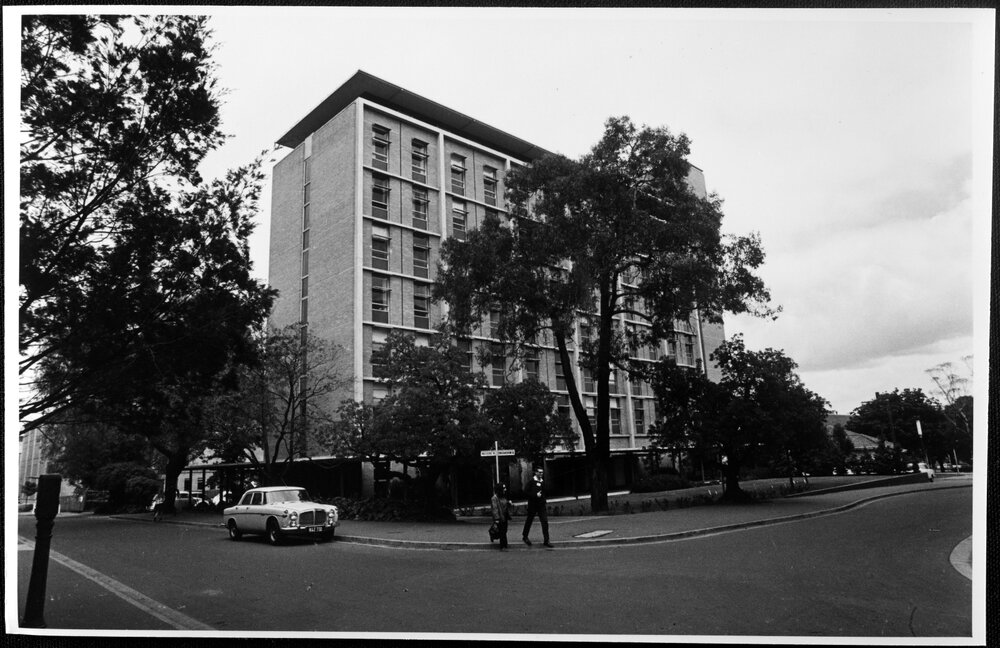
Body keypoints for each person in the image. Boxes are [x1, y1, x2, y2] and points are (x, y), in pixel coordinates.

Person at [522, 465, 551, 547]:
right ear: (536, 472)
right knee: (529, 521)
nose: (541, 474)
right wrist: (535, 495)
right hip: (533, 505)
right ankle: (525, 536)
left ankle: (546, 540)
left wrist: (544, 499)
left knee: (544, 521)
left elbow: (545, 492)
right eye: (539, 472)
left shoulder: (542, 482)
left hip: (541, 505)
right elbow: (525, 492)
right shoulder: (531, 482)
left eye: (542, 472)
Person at [490, 482, 513, 549]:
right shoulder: (494, 498)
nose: (505, 489)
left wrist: (509, 503)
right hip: (500, 517)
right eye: (504, 488)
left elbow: (505, 505)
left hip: (504, 516)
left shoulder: (503, 496)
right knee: (502, 531)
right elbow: (495, 508)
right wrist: (497, 518)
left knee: (504, 530)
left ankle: (495, 538)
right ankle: (503, 545)